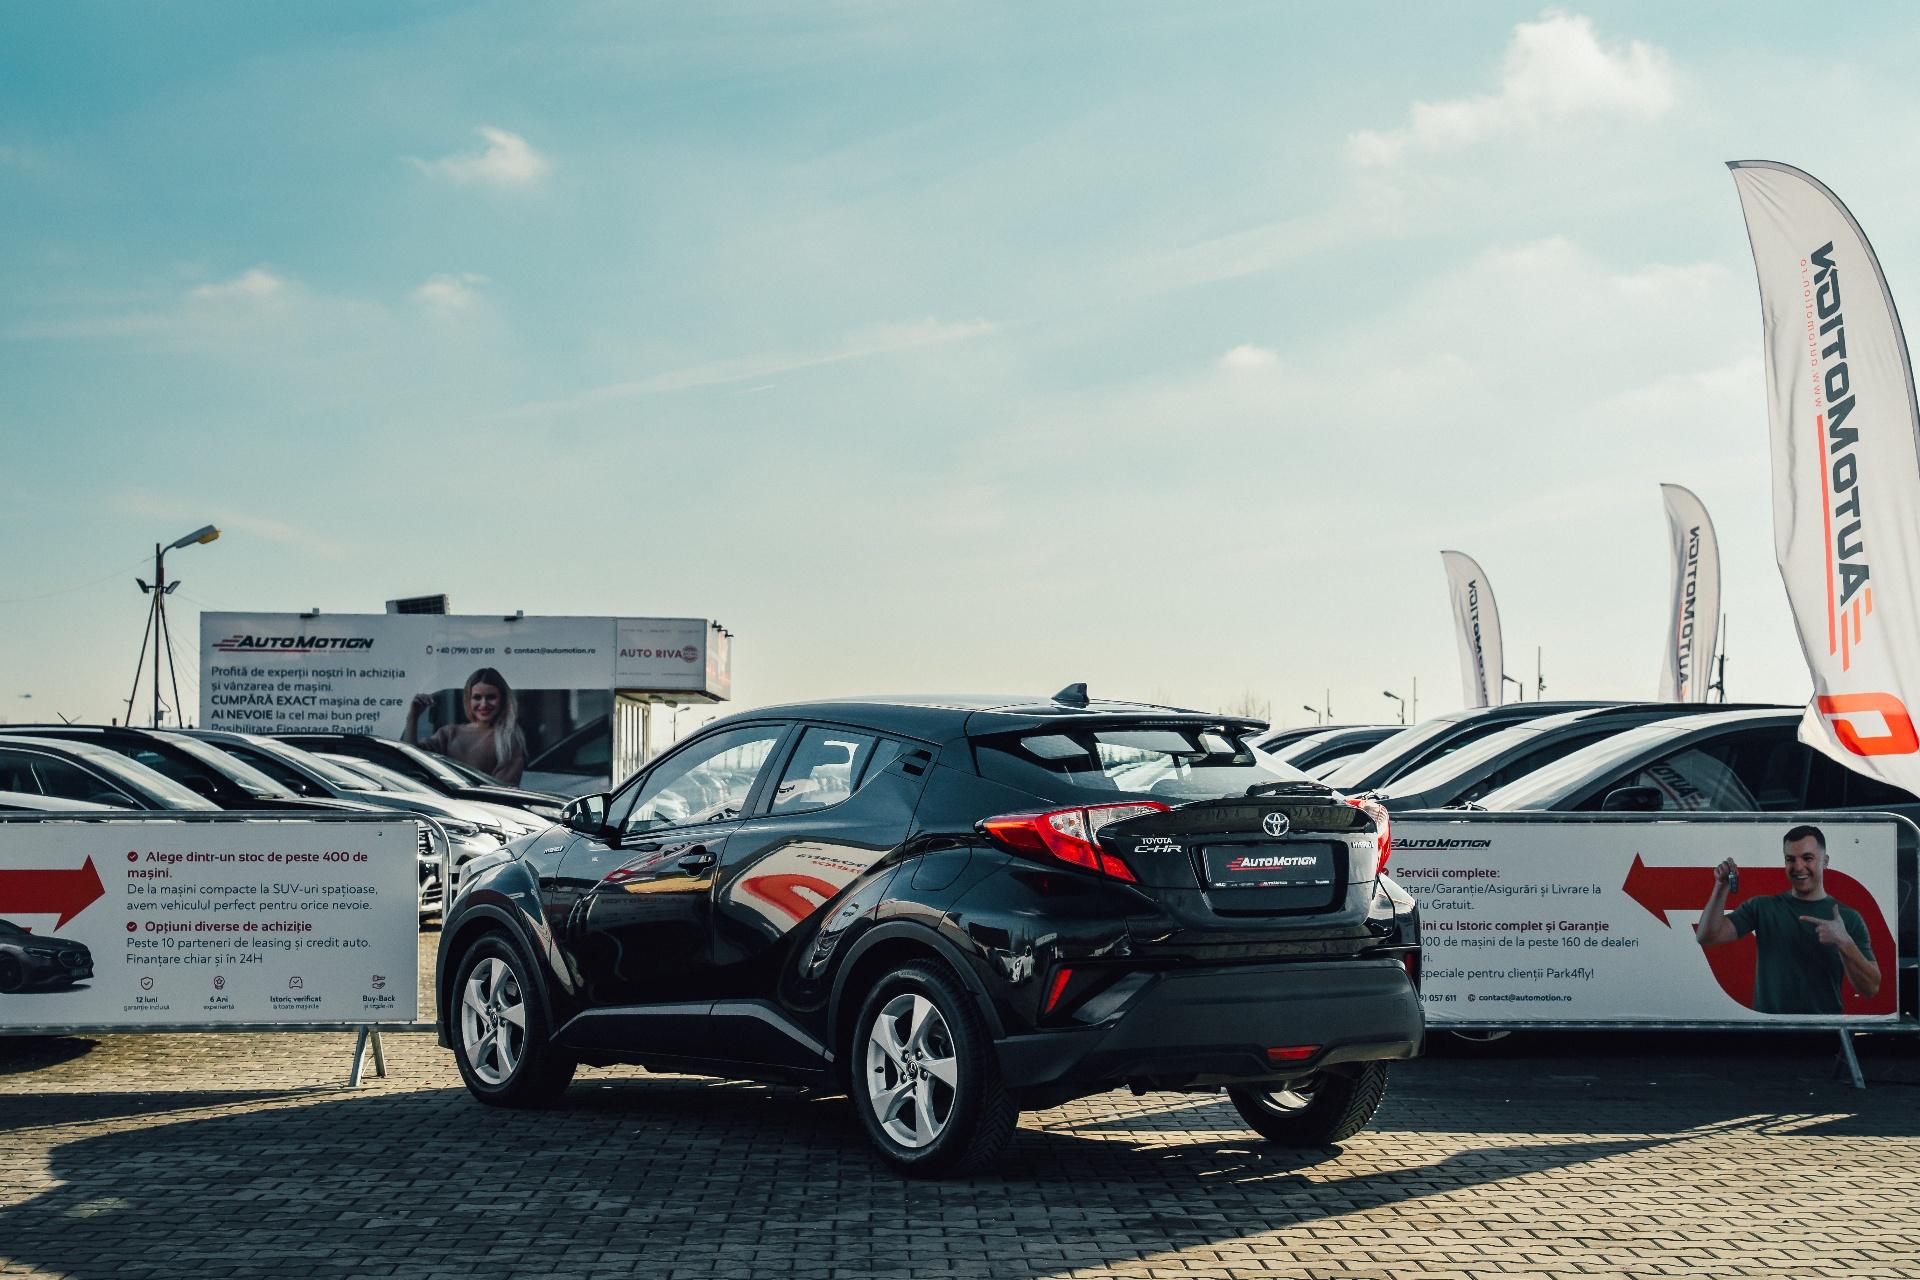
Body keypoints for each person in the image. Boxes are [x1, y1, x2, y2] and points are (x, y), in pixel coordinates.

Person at [1694, 824, 1880, 1015]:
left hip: (1824, 1028)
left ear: (1825, 861)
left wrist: (1844, 942)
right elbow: (1707, 936)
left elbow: (1871, 988)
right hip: (1770, 1027)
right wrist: (1721, 886)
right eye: (1790, 859)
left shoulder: (1848, 917)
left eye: (1807, 858)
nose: (1798, 867)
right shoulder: (1762, 907)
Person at [404, 667, 527, 787]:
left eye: (491, 697)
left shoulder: (508, 741)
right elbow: (410, 761)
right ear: (468, 700)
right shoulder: (449, 734)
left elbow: (500, 792)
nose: (483, 704)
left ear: (503, 700)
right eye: (477, 697)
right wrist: (413, 717)